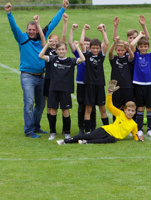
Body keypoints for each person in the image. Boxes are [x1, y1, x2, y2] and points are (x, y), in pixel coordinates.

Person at [5, 1, 69, 138]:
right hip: (27, 76)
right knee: (29, 103)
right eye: (30, 29)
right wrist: (9, 13)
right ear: (26, 30)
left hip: (41, 76)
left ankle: (36, 126)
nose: (32, 32)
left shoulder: (42, 36)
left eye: (34, 29)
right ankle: (28, 131)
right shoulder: (22, 38)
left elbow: (53, 23)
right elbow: (13, 27)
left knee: (40, 104)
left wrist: (63, 8)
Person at [57, 80, 140, 145]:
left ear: (135, 112)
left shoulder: (134, 124)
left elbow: (135, 135)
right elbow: (110, 106)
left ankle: (86, 142)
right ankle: (65, 141)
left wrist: (139, 138)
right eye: (128, 110)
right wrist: (109, 93)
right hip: (105, 130)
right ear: (125, 110)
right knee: (90, 136)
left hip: (112, 137)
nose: (130, 112)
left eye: (132, 111)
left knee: (112, 140)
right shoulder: (120, 114)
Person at [38, 40, 85, 140]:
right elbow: (41, 56)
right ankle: (52, 132)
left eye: (63, 49)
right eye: (59, 49)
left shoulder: (71, 61)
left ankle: (67, 132)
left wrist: (77, 47)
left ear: (66, 50)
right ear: (56, 50)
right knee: (53, 111)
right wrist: (47, 45)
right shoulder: (52, 59)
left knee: (66, 112)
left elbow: (82, 58)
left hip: (65, 90)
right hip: (53, 89)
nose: (61, 51)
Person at [80, 24, 110, 134]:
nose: (96, 50)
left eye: (97, 48)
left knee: (102, 109)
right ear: (90, 48)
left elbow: (106, 43)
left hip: (99, 85)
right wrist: (84, 29)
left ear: (100, 48)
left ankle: (107, 130)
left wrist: (103, 31)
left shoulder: (101, 56)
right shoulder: (87, 56)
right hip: (89, 85)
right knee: (88, 109)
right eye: (93, 48)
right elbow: (81, 43)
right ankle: (88, 131)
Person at [68, 24, 97, 135]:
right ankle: (81, 127)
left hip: (91, 83)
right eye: (84, 44)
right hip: (81, 82)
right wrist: (72, 29)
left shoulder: (93, 55)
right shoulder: (78, 53)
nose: (86, 46)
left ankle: (92, 127)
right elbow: (70, 43)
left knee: (92, 106)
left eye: (88, 44)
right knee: (81, 106)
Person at [130, 32, 151, 137]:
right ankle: (140, 129)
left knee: (150, 108)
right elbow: (131, 45)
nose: (143, 48)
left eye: (145, 46)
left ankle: (150, 129)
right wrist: (140, 36)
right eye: (141, 47)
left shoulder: (150, 56)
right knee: (140, 107)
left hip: (150, 84)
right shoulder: (136, 55)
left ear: (148, 47)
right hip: (138, 83)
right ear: (138, 47)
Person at [108, 36, 134, 122]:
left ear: (125, 50)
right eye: (118, 50)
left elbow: (132, 56)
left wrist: (128, 48)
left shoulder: (128, 58)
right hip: (116, 88)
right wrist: (115, 42)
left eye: (122, 50)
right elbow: (110, 52)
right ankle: (116, 124)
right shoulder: (114, 59)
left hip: (127, 87)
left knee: (128, 108)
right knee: (116, 108)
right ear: (116, 50)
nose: (120, 52)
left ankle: (128, 126)